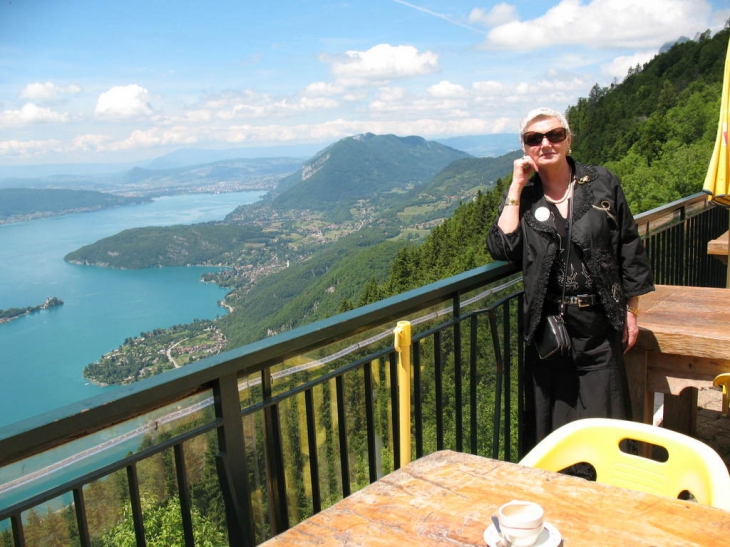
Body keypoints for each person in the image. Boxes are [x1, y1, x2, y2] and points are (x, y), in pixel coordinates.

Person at [487, 107, 654, 451]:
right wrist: (517, 185)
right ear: (525, 147)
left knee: (605, 417)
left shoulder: (602, 183)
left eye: (554, 135)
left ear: (568, 139)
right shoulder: (528, 198)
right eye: (535, 139)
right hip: (548, 331)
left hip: (599, 324)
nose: (546, 143)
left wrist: (631, 310)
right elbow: (502, 245)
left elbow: (628, 244)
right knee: (551, 423)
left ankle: (607, 491)